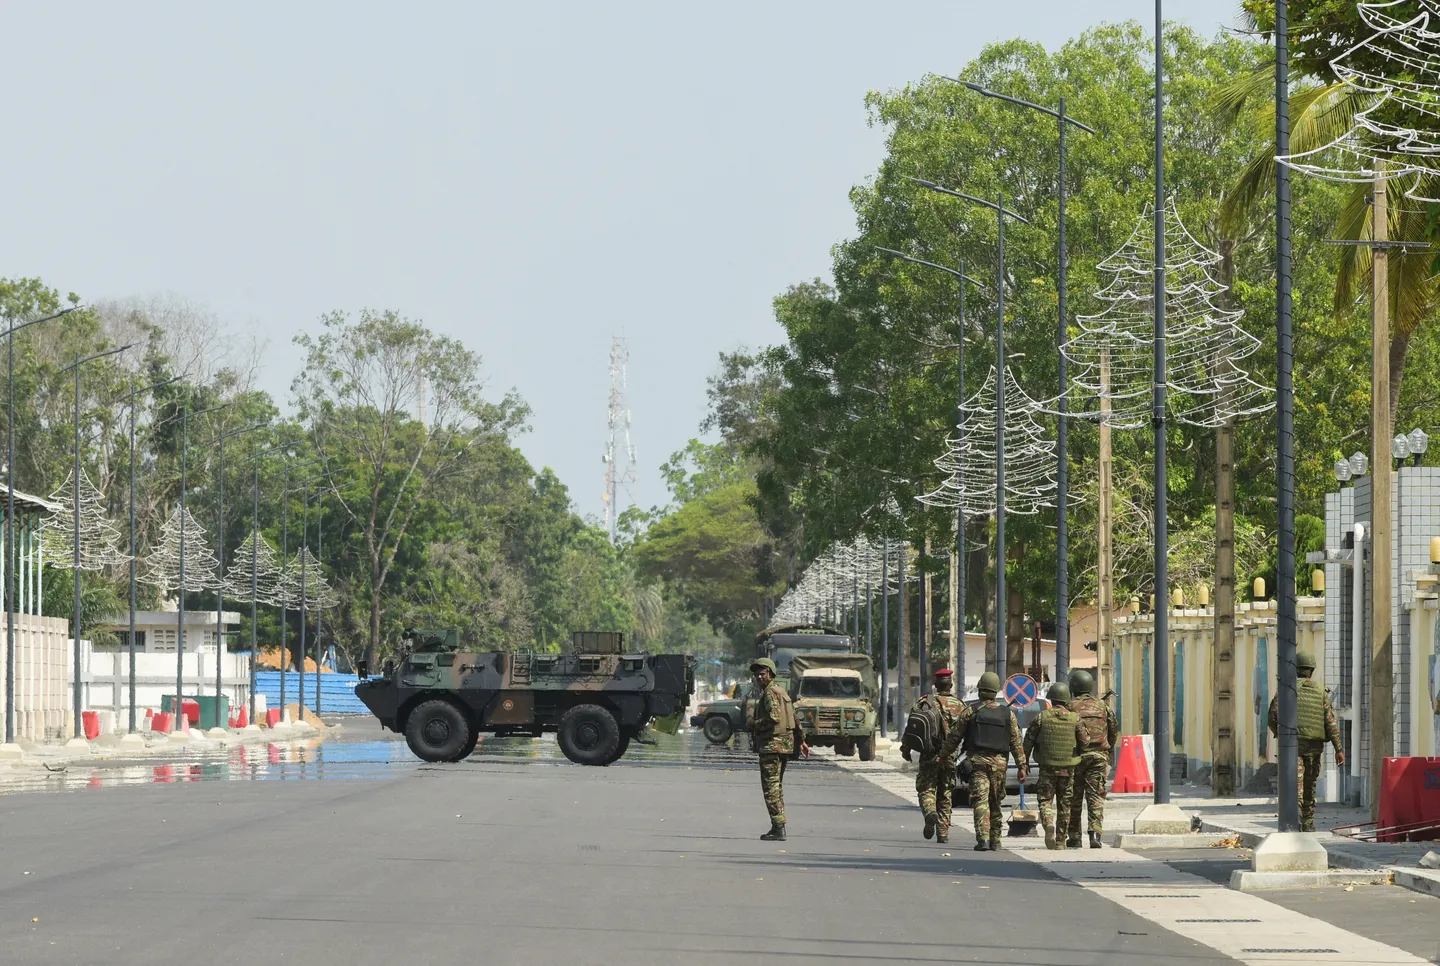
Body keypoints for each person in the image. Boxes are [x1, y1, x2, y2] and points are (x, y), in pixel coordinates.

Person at [940, 671, 1024, 852]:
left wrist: (944, 755)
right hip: (999, 765)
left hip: (977, 764)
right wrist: (1022, 767)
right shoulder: (1007, 714)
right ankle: (996, 840)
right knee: (995, 801)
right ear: (995, 691)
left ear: (980, 690)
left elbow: (954, 737)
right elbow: (1016, 743)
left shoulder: (970, 712)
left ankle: (983, 839)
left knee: (980, 801)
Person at [1267, 649, 1344, 832]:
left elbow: (1272, 716)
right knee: (1310, 783)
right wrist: (1339, 749)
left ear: (1296, 668)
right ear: (1312, 669)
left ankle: (1295, 817)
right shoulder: (1321, 692)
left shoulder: (1286, 689)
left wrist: (1279, 733)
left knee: (1296, 783)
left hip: (1293, 745)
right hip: (1314, 747)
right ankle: (1308, 823)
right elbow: (1330, 723)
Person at [749, 657, 808, 841]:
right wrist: (801, 740)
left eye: (763, 674)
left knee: (771, 789)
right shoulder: (782, 692)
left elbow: (773, 718)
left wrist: (753, 724)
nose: (759, 677)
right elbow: (794, 718)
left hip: (771, 747)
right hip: (785, 746)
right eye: (757, 674)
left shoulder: (769, 694)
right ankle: (778, 825)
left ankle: (778, 827)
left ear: (771, 674)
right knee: (777, 787)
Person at [910, 668, 967, 844]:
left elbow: (911, 727)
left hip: (928, 755)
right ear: (950, 684)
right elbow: (967, 731)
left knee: (926, 788)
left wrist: (906, 748)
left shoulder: (924, 702)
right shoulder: (960, 705)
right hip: (949, 757)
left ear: (935, 684)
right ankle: (943, 833)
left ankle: (929, 812)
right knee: (945, 794)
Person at [1024, 683, 1084, 850]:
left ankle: (1048, 823)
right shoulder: (1075, 718)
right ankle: (1060, 841)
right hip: (1068, 767)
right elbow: (1084, 742)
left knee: (1045, 800)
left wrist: (1024, 763)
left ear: (1051, 698)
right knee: (1065, 803)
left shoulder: (1042, 717)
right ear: (1066, 699)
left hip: (1047, 766)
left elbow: (1027, 742)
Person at [1063, 669, 1118, 849]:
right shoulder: (1103, 707)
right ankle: (1095, 834)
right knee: (1096, 797)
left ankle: (1074, 837)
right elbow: (1113, 730)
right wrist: (1106, 750)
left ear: (1073, 687)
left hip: (1076, 757)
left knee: (1074, 798)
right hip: (1098, 757)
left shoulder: (1069, 707)